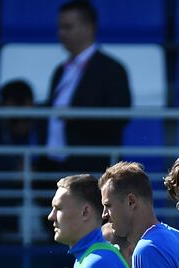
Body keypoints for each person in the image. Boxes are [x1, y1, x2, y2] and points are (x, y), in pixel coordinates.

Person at [46, 0, 131, 176]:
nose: (61, 33)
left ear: (89, 28)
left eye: (67, 27)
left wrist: (76, 116)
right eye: (60, 27)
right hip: (57, 165)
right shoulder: (60, 70)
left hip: (92, 166)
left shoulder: (112, 69)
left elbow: (120, 116)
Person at [0, 79, 47, 240]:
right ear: (2, 109)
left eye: (26, 118)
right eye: (15, 119)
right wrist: (14, 175)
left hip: (41, 185)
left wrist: (36, 171)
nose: (20, 123)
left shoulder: (45, 120)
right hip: (4, 188)